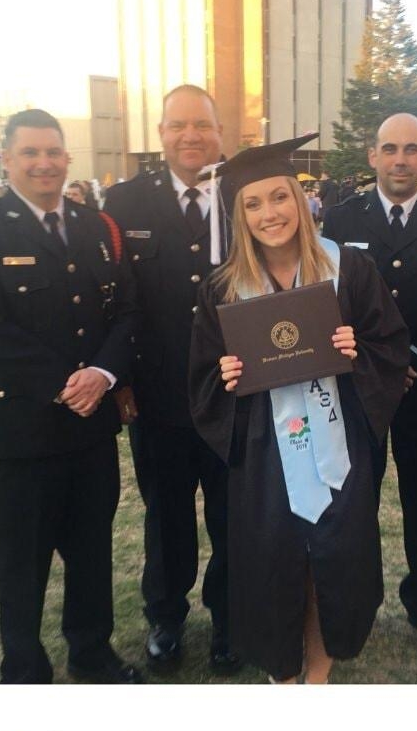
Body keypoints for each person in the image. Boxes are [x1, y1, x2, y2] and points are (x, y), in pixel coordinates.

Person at [189, 135, 410, 683]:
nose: (271, 214)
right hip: (264, 454)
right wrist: (228, 380)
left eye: (280, 197)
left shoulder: (348, 269)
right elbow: (202, 378)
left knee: (332, 561)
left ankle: (318, 674)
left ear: (299, 198)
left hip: (340, 442)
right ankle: (282, 674)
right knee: (276, 564)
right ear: (240, 216)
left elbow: (391, 345)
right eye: (254, 204)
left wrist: (359, 353)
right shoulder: (223, 288)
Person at [0, 109, 141, 685]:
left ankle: (92, 654)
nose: (44, 163)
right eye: (30, 153)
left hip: (89, 431)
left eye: (53, 152)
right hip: (21, 434)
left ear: (67, 159)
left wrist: (103, 372)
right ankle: (25, 671)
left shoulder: (95, 227)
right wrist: (68, 381)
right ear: (6, 159)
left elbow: (126, 310)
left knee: (91, 555)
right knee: (20, 566)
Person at [101, 84, 238, 672]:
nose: (190, 136)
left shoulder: (247, 194)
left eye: (202, 126)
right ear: (159, 134)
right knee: (166, 516)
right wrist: (120, 379)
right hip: (157, 397)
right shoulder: (124, 201)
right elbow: (115, 303)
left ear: (219, 132)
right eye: (178, 126)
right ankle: (166, 616)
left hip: (235, 392)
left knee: (235, 515)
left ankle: (232, 617)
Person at [323, 113, 417, 661]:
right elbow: (326, 300)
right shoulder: (339, 217)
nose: (400, 159)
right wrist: (380, 361)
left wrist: (408, 357)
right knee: (353, 501)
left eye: (411, 149)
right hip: (359, 386)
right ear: (372, 157)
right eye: (389, 149)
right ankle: (348, 607)